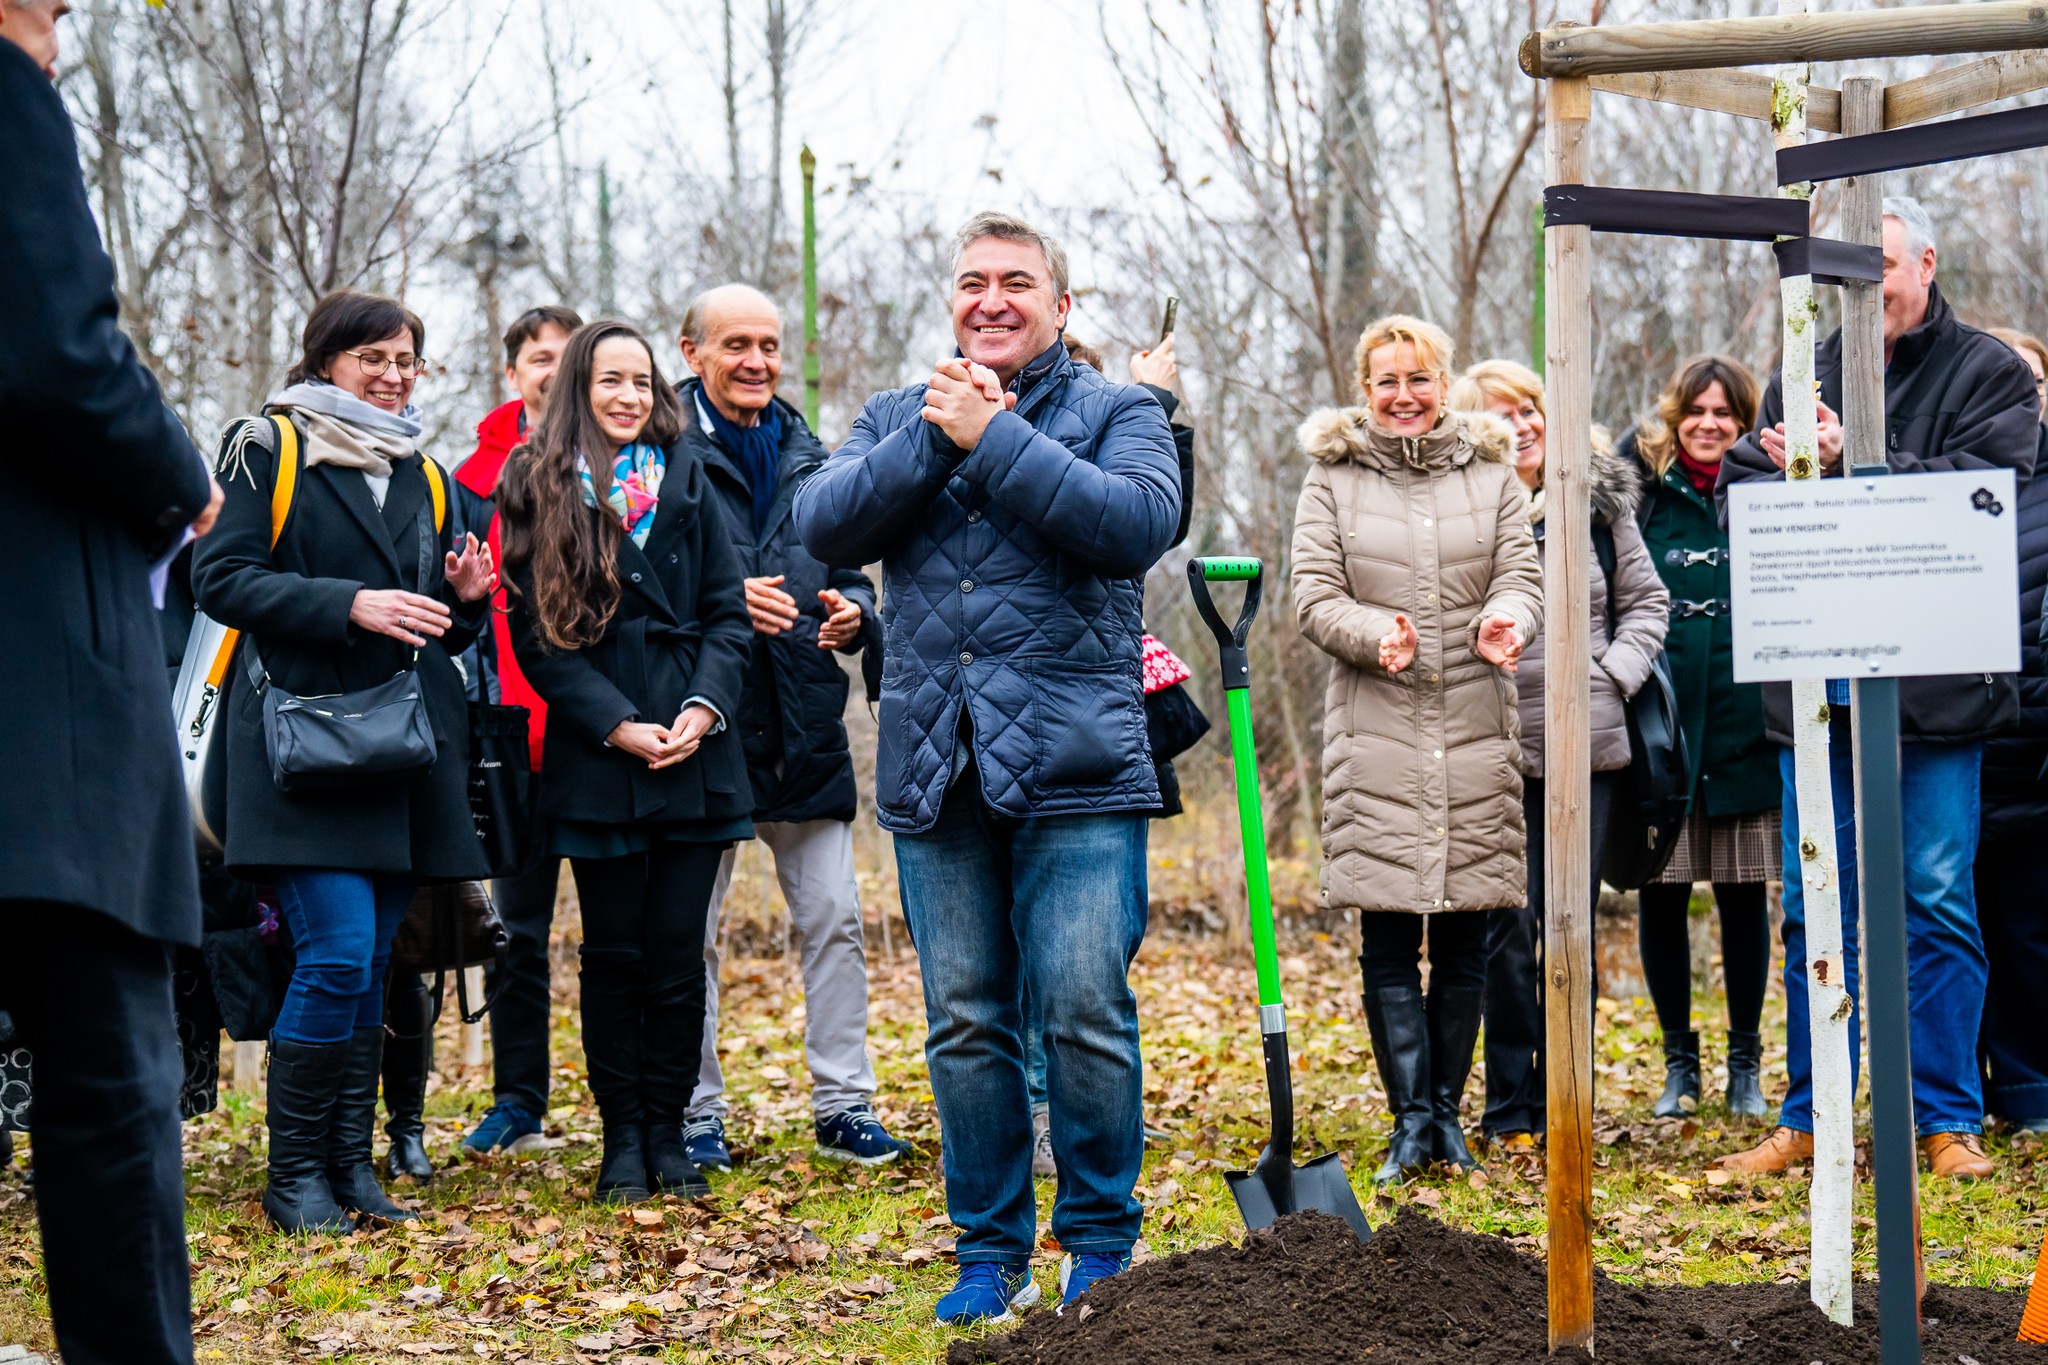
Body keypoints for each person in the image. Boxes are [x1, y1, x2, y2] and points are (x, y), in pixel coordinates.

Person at [795, 212, 1180, 1324]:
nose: (992, 299)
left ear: (1060, 307)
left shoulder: (1119, 412)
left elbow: (1132, 524)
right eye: (973, 282)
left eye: (1019, 282)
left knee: (1081, 1008)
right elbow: (822, 518)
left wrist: (991, 439)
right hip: (935, 766)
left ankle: (1098, 1241)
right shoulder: (892, 416)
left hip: (1076, 769)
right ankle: (987, 1251)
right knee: (965, 1020)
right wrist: (935, 436)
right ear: (951, 303)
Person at [1715, 196, 2039, 1179]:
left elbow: (1987, 498)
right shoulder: (1792, 371)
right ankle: (1809, 1116)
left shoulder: (1986, 372)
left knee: (1936, 898)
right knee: (1814, 905)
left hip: (1937, 697)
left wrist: (1846, 461)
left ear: (1925, 263)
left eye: (1879, 270)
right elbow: (1736, 505)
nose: (1862, 293)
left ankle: (1944, 1121)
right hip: (1817, 696)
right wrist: (1779, 476)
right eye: (1841, 278)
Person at [0, 0, 222, 1356]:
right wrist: (178, 473)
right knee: (108, 1092)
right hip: (39, 715)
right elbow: (61, 357)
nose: (65, 24)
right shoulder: (3, 91)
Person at [193, 290, 496, 1231]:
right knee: (333, 954)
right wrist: (348, 602)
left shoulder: (426, 472)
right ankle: (294, 1181)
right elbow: (222, 578)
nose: (396, 373)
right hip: (301, 748)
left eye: (408, 357)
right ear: (326, 359)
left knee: (369, 966)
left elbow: (438, 630)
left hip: (403, 753)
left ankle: (349, 1170)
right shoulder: (266, 449)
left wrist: (469, 599)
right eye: (375, 356)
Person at [497, 320, 754, 1204]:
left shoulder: (691, 476)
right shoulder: (534, 481)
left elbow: (727, 613)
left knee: (679, 954)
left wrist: (699, 708)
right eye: (611, 380)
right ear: (580, 384)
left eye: (642, 382)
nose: (629, 397)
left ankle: (668, 1130)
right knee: (613, 955)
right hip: (600, 756)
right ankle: (620, 1139)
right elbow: (535, 638)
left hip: (692, 750)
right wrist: (614, 724)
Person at [1291, 316, 1541, 1184]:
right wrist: (1370, 631)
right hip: (1379, 728)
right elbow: (1313, 594)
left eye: (1419, 379)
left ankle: (1447, 1116)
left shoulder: (1493, 473)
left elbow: (1522, 575)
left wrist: (1511, 617)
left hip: (1474, 720)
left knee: (1469, 935)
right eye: (1386, 381)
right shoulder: (1332, 477)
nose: (1404, 396)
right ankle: (1408, 1122)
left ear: (1445, 384)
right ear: (1365, 389)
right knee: (1391, 935)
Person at [672, 283, 910, 1171]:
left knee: (836, 921)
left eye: (768, 344)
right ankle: (695, 1113)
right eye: (736, 344)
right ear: (692, 351)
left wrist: (855, 610)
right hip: (708, 728)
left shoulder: (817, 456)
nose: (757, 362)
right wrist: (723, 602)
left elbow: (852, 572)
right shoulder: (656, 455)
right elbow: (631, 584)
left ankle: (844, 1104)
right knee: (690, 933)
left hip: (807, 720)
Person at [1448, 360, 1668, 1143]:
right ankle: (1510, 1104)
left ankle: (1567, 1096)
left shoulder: (1599, 505)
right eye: (1501, 413)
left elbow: (1647, 603)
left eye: (1531, 408)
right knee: (1508, 931)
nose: (1524, 424)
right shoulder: (1463, 511)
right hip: (1495, 745)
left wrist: (1612, 674)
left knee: (1569, 925)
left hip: (1589, 749)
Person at [1024, 331, 1205, 1181]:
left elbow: (1155, 520)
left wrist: (1159, 412)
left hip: (1102, 729)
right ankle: (1033, 1107)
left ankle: (1084, 1109)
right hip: (1020, 724)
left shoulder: (1124, 441)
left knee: (1092, 960)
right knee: (1018, 967)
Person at [1617, 356, 1779, 1122]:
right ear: (1675, 413)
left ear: (1745, 421)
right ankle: (1680, 1063)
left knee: (1746, 897)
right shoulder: (1639, 487)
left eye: (1726, 413)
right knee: (1663, 893)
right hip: (1664, 727)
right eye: (1697, 410)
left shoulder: (1768, 485)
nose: (1709, 424)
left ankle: (1744, 1062)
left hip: (1749, 719)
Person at [454, 303, 585, 1159]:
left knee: (629, 937)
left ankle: (655, 1106)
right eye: (540, 357)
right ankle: (517, 1101)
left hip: (603, 734)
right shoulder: (468, 479)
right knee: (518, 932)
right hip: (514, 738)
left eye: (568, 356)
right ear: (514, 373)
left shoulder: (620, 465)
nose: (553, 369)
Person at [1978, 327, 2048, 1132]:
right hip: (1955, 735)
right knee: (1955, 924)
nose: (2019, 391)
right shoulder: (1959, 470)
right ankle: (1956, 1093)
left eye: (2029, 376)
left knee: (2029, 930)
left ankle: (2030, 1091)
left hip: (2034, 745)